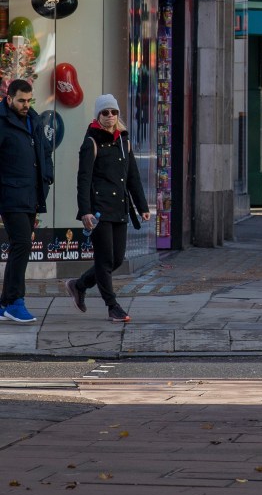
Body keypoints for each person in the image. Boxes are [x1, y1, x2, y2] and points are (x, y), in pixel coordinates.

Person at [66, 94, 150, 322]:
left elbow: (132, 176)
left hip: (120, 208)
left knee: (116, 259)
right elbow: (83, 179)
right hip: (99, 210)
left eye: (114, 112)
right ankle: (112, 306)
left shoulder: (124, 141)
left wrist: (142, 206)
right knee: (104, 261)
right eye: (105, 113)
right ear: (98, 115)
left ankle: (79, 284)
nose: (110, 117)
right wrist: (85, 211)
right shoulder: (91, 142)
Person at [0, 79, 52, 323]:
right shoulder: (2, 122)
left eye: (28, 100)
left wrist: (47, 177)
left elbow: (44, 151)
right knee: (22, 244)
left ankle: (4, 304)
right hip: (10, 195)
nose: (25, 104)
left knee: (18, 246)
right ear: (8, 98)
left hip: (31, 194)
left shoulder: (34, 119)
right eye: (21, 100)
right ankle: (15, 301)